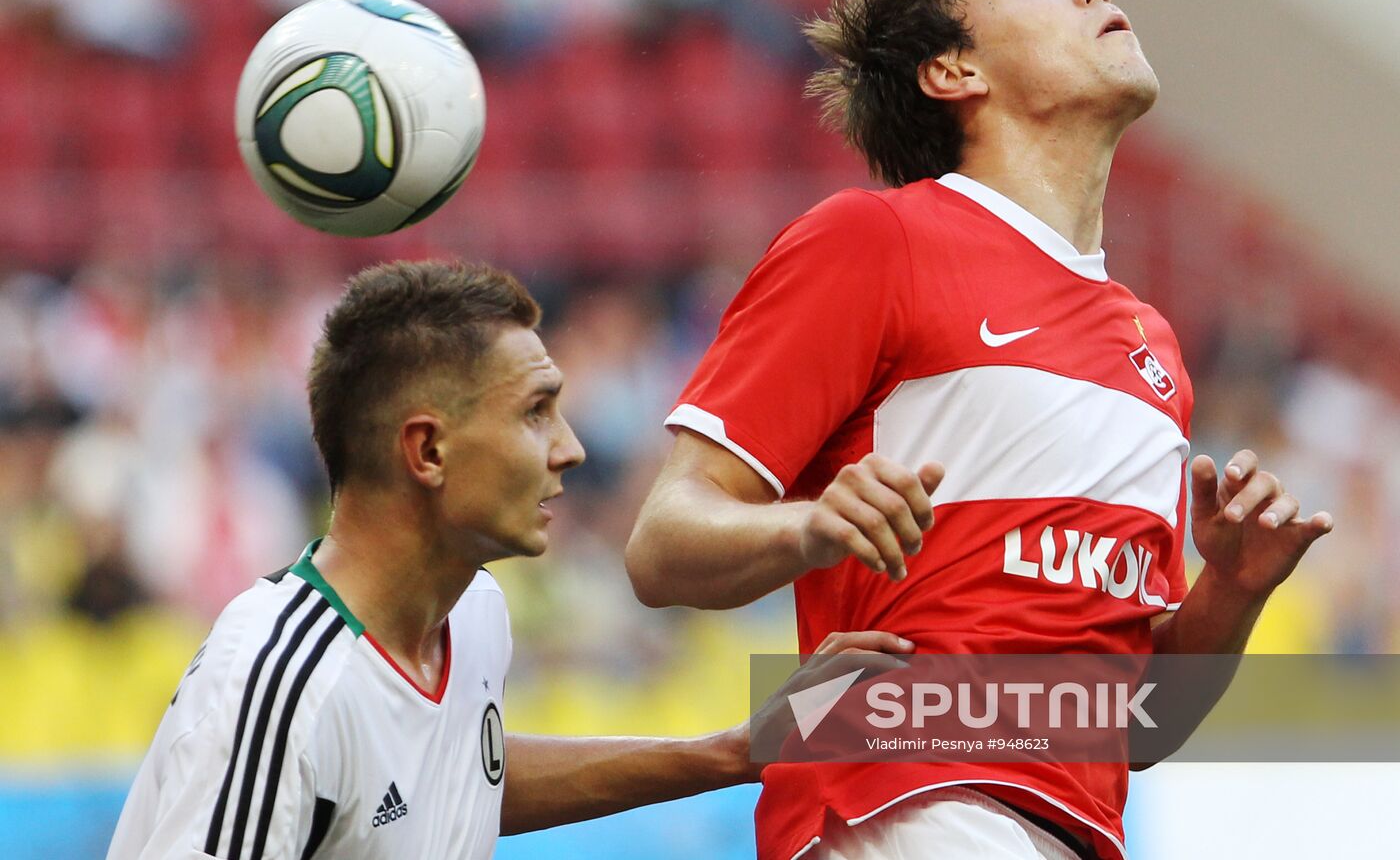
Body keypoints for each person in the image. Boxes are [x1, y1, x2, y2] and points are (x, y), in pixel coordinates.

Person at [625, 0, 1334, 860]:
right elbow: (662, 546)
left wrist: (1233, 589)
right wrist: (809, 525)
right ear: (952, 68)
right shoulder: (873, 241)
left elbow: (1132, 726)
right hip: (897, 798)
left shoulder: (1153, 347)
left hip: (1067, 833)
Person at [105, 259, 906, 860]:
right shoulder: (281, 682)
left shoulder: (473, 610)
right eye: (536, 413)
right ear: (428, 451)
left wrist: (732, 751)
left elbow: (458, 773)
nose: (571, 448)